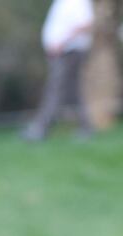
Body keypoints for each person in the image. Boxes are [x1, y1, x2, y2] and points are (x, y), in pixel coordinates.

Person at [22, 0, 95, 141]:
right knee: (73, 91)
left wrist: (62, 42)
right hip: (63, 51)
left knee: (56, 89)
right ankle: (86, 128)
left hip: (68, 51)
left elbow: (86, 24)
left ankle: (40, 128)